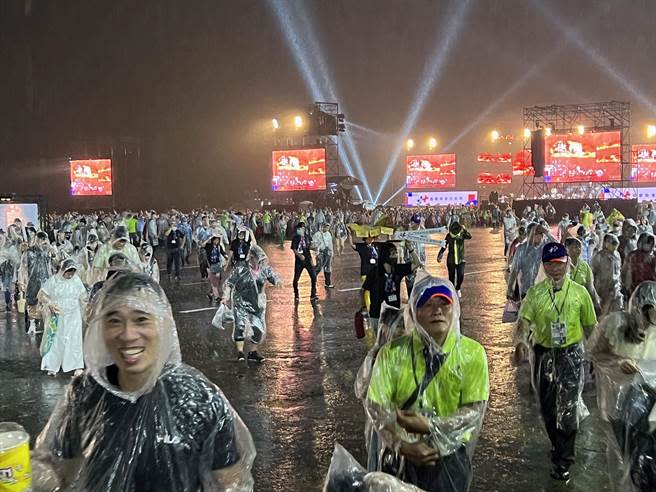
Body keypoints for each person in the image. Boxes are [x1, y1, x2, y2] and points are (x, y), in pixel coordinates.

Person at [32, 273, 255, 491]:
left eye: (141, 319)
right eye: (115, 321)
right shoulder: (84, 393)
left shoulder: (200, 398)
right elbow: (57, 471)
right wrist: (24, 474)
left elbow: (231, 482)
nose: (128, 334)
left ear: (163, 325)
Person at [364, 274, 488, 491]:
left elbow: (474, 411)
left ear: (454, 310)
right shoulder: (392, 354)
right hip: (401, 458)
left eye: (443, 304)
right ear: (413, 313)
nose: (437, 310)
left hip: (449, 458)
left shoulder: (472, 353)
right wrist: (400, 445)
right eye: (427, 305)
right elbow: (376, 407)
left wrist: (431, 427)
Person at [513, 242, 597, 481]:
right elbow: (523, 321)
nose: (555, 269)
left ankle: (564, 459)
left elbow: (591, 327)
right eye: (549, 264)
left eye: (559, 264)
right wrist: (520, 342)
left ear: (566, 263)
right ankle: (556, 443)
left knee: (568, 409)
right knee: (548, 408)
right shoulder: (536, 293)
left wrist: (598, 355)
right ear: (544, 266)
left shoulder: (580, 293)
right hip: (543, 354)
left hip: (570, 354)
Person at [588, 281, 656, 491]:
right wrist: (618, 363)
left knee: (649, 459)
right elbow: (594, 352)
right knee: (631, 457)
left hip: (653, 404)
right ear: (641, 307)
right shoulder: (615, 323)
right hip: (622, 403)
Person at [224, 245, 281, 362]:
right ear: (251, 257)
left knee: (258, 328)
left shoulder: (265, 269)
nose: (258, 262)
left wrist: (278, 281)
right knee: (240, 325)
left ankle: (253, 352)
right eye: (256, 259)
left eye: (261, 260)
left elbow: (274, 277)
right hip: (240, 301)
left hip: (257, 302)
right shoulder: (240, 269)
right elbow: (230, 283)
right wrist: (226, 296)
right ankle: (240, 352)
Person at [38, 258, 87, 377]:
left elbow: (83, 297)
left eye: (72, 271)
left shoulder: (76, 281)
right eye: (68, 271)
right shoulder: (53, 281)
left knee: (74, 340)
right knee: (56, 340)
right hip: (57, 315)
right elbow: (41, 295)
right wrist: (50, 303)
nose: (70, 274)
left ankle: (76, 366)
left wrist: (85, 310)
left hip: (73, 315)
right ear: (63, 270)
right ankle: (52, 366)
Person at [362, 242, 420, 332]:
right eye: (393, 254)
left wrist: (410, 248)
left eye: (396, 253)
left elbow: (416, 263)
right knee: (381, 342)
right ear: (385, 256)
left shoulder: (397, 269)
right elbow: (364, 289)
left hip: (393, 314)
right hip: (377, 314)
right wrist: (364, 307)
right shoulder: (374, 272)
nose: (396, 256)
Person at [18, 231, 55, 335]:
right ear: (36, 240)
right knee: (32, 302)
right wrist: (21, 281)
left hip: (46, 281)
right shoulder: (29, 252)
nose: (42, 241)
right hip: (33, 281)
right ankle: (32, 323)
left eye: (44, 239)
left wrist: (50, 248)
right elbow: (23, 267)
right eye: (40, 239)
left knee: (47, 303)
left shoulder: (48, 251)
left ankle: (47, 324)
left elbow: (56, 258)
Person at [506, 223, 548, 301]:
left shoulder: (545, 248)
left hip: (543, 291)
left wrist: (546, 232)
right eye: (537, 234)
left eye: (541, 234)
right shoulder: (521, 249)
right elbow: (514, 270)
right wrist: (510, 287)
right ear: (529, 234)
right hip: (527, 291)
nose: (540, 236)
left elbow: (559, 246)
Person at [437, 222, 472, 297]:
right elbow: (444, 245)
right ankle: (452, 292)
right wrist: (440, 254)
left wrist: (465, 230)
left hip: (461, 259)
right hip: (451, 259)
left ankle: (458, 288)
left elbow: (470, 236)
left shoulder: (462, 234)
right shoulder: (449, 236)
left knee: (461, 275)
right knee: (451, 277)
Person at [592, 233, 624, 315]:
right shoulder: (599, 256)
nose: (615, 246)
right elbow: (593, 272)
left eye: (616, 244)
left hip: (615, 288)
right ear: (606, 243)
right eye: (613, 244)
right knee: (602, 312)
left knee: (616, 312)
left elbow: (618, 271)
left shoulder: (617, 255)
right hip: (602, 289)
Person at [565, 237, 600, 311]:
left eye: (579, 247)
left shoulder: (584, 266)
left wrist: (596, 302)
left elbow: (590, 287)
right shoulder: (561, 264)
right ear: (566, 248)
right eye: (575, 247)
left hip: (580, 304)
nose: (578, 249)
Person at [349, 232, 380, 312]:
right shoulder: (362, 247)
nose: (370, 239)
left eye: (372, 238)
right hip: (366, 272)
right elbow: (352, 245)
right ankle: (369, 307)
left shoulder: (376, 247)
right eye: (368, 238)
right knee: (367, 290)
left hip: (375, 272)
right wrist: (350, 234)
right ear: (365, 239)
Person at [621, 232, 656, 298]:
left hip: (651, 287)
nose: (649, 246)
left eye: (652, 244)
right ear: (641, 242)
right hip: (634, 287)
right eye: (648, 243)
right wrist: (625, 285)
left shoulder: (653, 256)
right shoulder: (633, 255)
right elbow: (625, 270)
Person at [291, 222, 317, 303]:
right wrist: (299, 256)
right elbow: (294, 249)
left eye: (302, 228)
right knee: (296, 279)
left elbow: (309, 247)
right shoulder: (295, 238)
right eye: (299, 228)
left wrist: (314, 249)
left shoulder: (307, 237)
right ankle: (296, 294)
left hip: (308, 260)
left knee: (313, 277)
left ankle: (313, 294)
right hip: (299, 262)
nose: (301, 230)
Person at [0, 231, 20, 311]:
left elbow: (17, 260)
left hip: (7, 271)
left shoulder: (10, 247)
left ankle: (8, 302)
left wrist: (8, 256)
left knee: (6, 287)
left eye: (1, 238)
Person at [205, 233, 227, 303]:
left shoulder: (219, 247)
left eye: (218, 240)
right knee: (214, 282)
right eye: (215, 240)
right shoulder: (208, 246)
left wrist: (227, 257)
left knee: (216, 281)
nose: (216, 242)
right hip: (210, 266)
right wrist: (209, 238)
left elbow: (223, 253)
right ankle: (217, 297)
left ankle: (210, 294)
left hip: (217, 266)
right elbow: (202, 245)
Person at [313, 222, 335, 288]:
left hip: (328, 253)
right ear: (322, 226)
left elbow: (330, 244)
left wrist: (332, 252)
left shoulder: (328, 234)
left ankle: (328, 283)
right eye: (325, 226)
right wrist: (318, 247)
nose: (326, 228)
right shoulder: (317, 234)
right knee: (319, 268)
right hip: (321, 253)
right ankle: (313, 280)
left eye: (328, 227)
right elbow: (313, 243)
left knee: (328, 268)